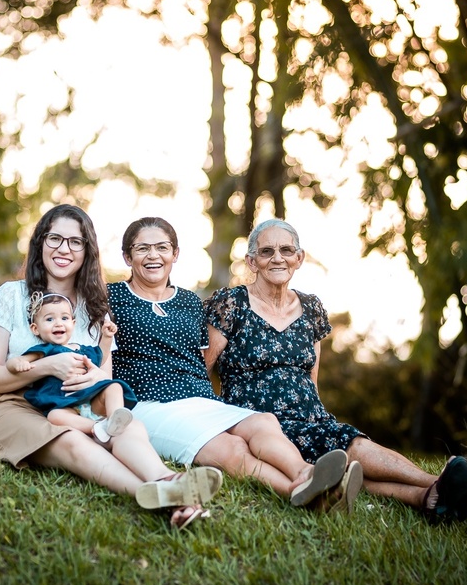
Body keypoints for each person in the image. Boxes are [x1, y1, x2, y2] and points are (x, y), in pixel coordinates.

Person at [204, 218, 467, 524]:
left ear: (299, 258)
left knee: (351, 454)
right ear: (252, 261)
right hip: (257, 423)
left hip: (309, 417)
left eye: (287, 250)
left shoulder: (311, 308)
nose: (278, 258)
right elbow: (202, 369)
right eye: (267, 251)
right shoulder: (231, 303)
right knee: (350, 451)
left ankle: (431, 496)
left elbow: (310, 378)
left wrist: (319, 418)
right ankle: (442, 483)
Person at [0, 204, 223, 529]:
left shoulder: (96, 308)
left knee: (126, 424)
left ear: (87, 251)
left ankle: (166, 478)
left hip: (78, 409)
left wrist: (96, 382)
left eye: (75, 242)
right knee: (71, 440)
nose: (64, 249)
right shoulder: (12, 295)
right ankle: (158, 495)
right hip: (8, 406)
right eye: (55, 239)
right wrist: (47, 367)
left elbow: (103, 380)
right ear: (40, 244)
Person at [109, 216, 362, 512]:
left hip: (200, 399)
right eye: (142, 249)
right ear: (127, 256)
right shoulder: (110, 297)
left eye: (162, 247)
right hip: (150, 403)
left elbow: (203, 360)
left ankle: (305, 472)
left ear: (175, 254)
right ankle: (305, 493)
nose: (153, 255)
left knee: (263, 421)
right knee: (231, 448)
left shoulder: (190, 302)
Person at [7, 290, 136, 444]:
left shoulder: (81, 349)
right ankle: (97, 427)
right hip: (63, 403)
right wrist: (17, 364)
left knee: (114, 386)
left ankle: (115, 417)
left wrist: (107, 337)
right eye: (49, 319)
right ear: (35, 328)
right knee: (55, 417)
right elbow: (16, 361)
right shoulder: (47, 350)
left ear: (73, 324)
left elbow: (101, 355)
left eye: (64, 318)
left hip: (91, 399)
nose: (59, 323)